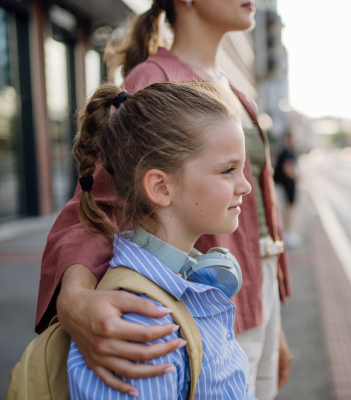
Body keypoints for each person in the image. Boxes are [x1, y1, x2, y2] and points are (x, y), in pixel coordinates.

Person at [36, 1, 292, 399]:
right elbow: (97, 199)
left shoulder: (238, 93)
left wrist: (274, 317)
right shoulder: (154, 81)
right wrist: (76, 297)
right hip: (199, 304)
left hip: (253, 290)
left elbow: (255, 206)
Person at [66, 81, 256, 399]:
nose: (245, 186)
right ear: (161, 188)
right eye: (228, 170)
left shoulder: (179, 278)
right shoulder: (141, 325)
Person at [273, 132, 301, 248]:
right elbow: (287, 168)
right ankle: (287, 234)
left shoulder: (283, 151)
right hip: (286, 186)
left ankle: (287, 234)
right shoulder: (287, 152)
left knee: (287, 210)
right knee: (288, 210)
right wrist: (297, 177)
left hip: (285, 185)